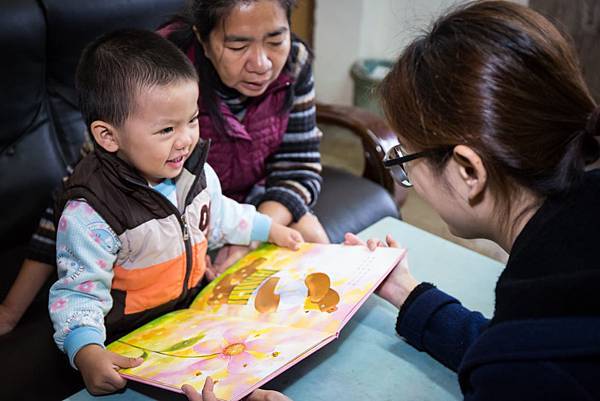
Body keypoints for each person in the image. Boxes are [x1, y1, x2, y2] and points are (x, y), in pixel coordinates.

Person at [184, 1, 600, 400]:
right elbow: (501, 347)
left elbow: (509, 363)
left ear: (468, 172)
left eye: (406, 156)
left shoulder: (529, 363)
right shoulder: (552, 293)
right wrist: (406, 291)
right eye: (238, 44)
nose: (260, 61)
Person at [47, 28, 305, 396]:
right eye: (167, 129)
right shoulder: (92, 213)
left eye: (192, 120)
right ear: (108, 136)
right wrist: (86, 350)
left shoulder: (193, 170)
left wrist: (267, 228)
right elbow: (78, 294)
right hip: (133, 339)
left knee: (265, 343)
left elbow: (218, 215)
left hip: (192, 310)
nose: (186, 139)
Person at [160, 0, 330, 273]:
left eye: (275, 41)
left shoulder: (294, 63)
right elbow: (145, 186)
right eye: (238, 47)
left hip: (250, 199)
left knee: (312, 240)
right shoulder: (161, 73)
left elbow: (298, 168)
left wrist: (251, 233)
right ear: (203, 39)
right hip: (171, 210)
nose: (262, 65)